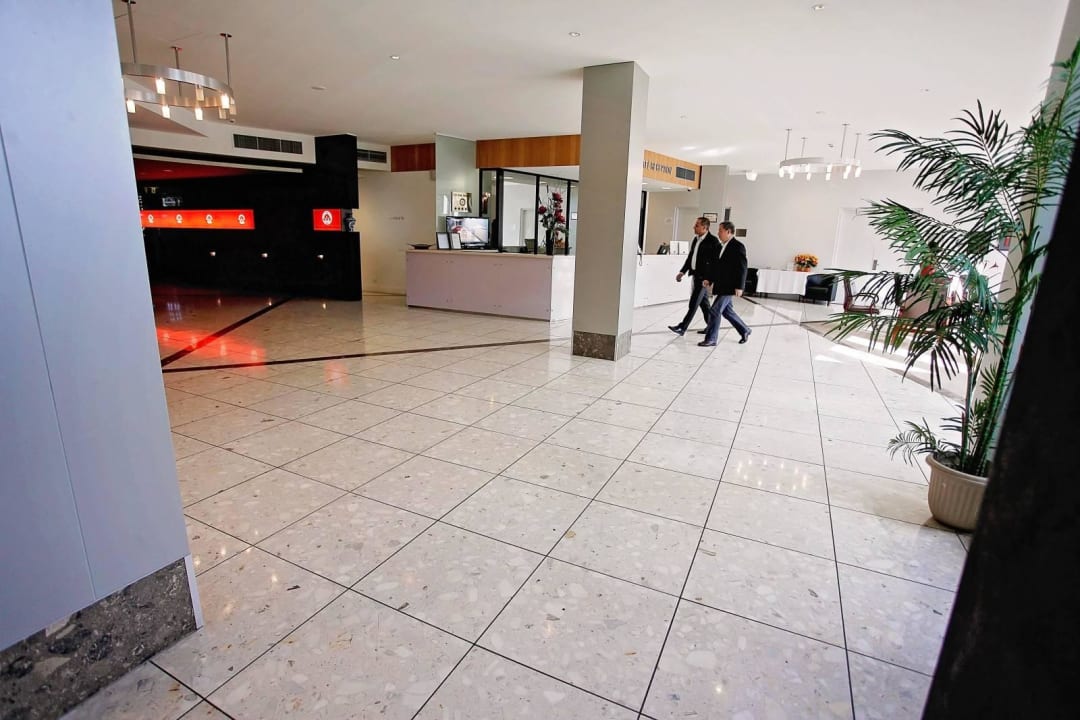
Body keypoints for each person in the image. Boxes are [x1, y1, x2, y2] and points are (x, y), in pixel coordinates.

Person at [700, 221, 752, 346]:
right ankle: (745, 330)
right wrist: (709, 279)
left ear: (728, 232)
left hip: (730, 286)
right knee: (727, 311)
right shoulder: (721, 246)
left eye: (720, 231)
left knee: (714, 310)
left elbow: (742, 267)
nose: (718, 233)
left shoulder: (738, 246)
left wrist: (740, 286)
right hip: (721, 285)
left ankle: (711, 339)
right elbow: (717, 267)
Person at [668, 216, 719, 336]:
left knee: (694, 303)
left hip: (703, 279)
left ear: (704, 227)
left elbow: (715, 262)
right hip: (696, 275)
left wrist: (709, 278)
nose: (694, 227)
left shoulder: (713, 241)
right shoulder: (696, 239)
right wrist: (682, 271)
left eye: (697, 225)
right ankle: (711, 327)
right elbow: (691, 257)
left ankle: (682, 327)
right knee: (704, 304)